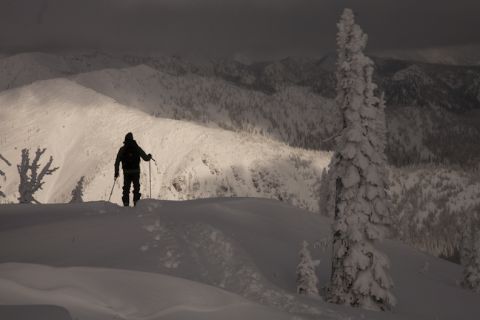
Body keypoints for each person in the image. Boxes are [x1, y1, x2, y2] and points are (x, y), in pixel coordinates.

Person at [114, 132, 152, 206]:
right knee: (136, 188)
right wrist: (149, 156)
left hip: (126, 172)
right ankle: (136, 203)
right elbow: (145, 158)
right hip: (136, 171)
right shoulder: (137, 148)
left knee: (126, 189)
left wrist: (116, 172)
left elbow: (117, 161)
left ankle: (126, 204)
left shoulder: (122, 149)